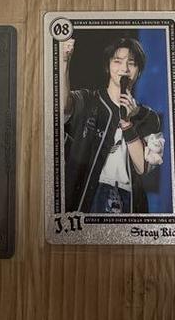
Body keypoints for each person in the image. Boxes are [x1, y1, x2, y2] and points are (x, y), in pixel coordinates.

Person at [60, 37, 164, 214]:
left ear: (139, 71)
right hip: (91, 194)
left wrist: (128, 124)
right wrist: (65, 62)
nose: (124, 69)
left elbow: (142, 167)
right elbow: (63, 107)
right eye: (117, 61)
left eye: (131, 63)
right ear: (108, 66)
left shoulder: (148, 117)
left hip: (129, 199)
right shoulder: (89, 100)